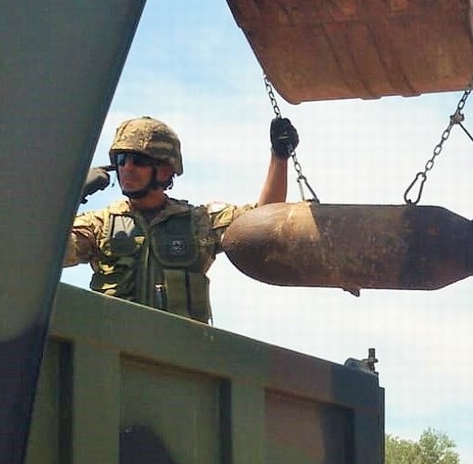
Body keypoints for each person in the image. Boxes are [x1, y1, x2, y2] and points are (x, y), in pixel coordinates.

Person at [64, 115, 298, 323]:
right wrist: (69, 195)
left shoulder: (199, 222)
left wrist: (279, 158)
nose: (127, 168)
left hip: (181, 355)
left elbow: (263, 223)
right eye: (122, 159)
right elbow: (47, 254)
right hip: (110, 352)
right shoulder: (100, 224)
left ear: (165, 170)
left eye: (139, 160)